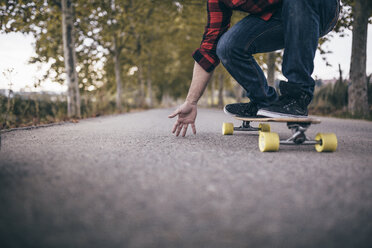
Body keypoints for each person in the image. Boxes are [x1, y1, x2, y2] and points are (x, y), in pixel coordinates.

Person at [169, 0, 340, 137]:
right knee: (227, 46)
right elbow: (208, 49)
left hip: (319, 7)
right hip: (278, 16)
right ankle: (264, 102)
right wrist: (191, 101)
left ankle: (297, 97)